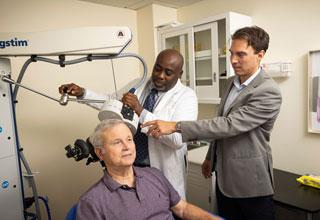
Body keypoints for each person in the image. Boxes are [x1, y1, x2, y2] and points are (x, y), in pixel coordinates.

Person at [142, 26, 282, 220]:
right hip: (224, 178)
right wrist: (210, 156)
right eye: (232, 53)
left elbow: (228, 125)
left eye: (241, 55)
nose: (233, 60)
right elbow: (221, 124)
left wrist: (175, 125)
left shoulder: (268, 91)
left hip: (251, 183)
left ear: (260, 54)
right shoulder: (231, 82)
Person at [59, 49, 198, 199]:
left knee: (164, 210)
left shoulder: (187, 97)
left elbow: (177, 140)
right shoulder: (139, 84)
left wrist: (140, 110)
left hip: (161, 171)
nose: (160, 75)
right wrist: (83, 93)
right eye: (157, 68)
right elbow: (111, 102)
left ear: (180, 74)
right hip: (132, 167)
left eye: (168, 72)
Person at [76, 119, 222, 220]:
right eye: (117, 142)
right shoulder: (91, 202)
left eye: (129, 139)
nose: (127, 147)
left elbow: (182, 209)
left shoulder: (154, 175)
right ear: (100, 153)